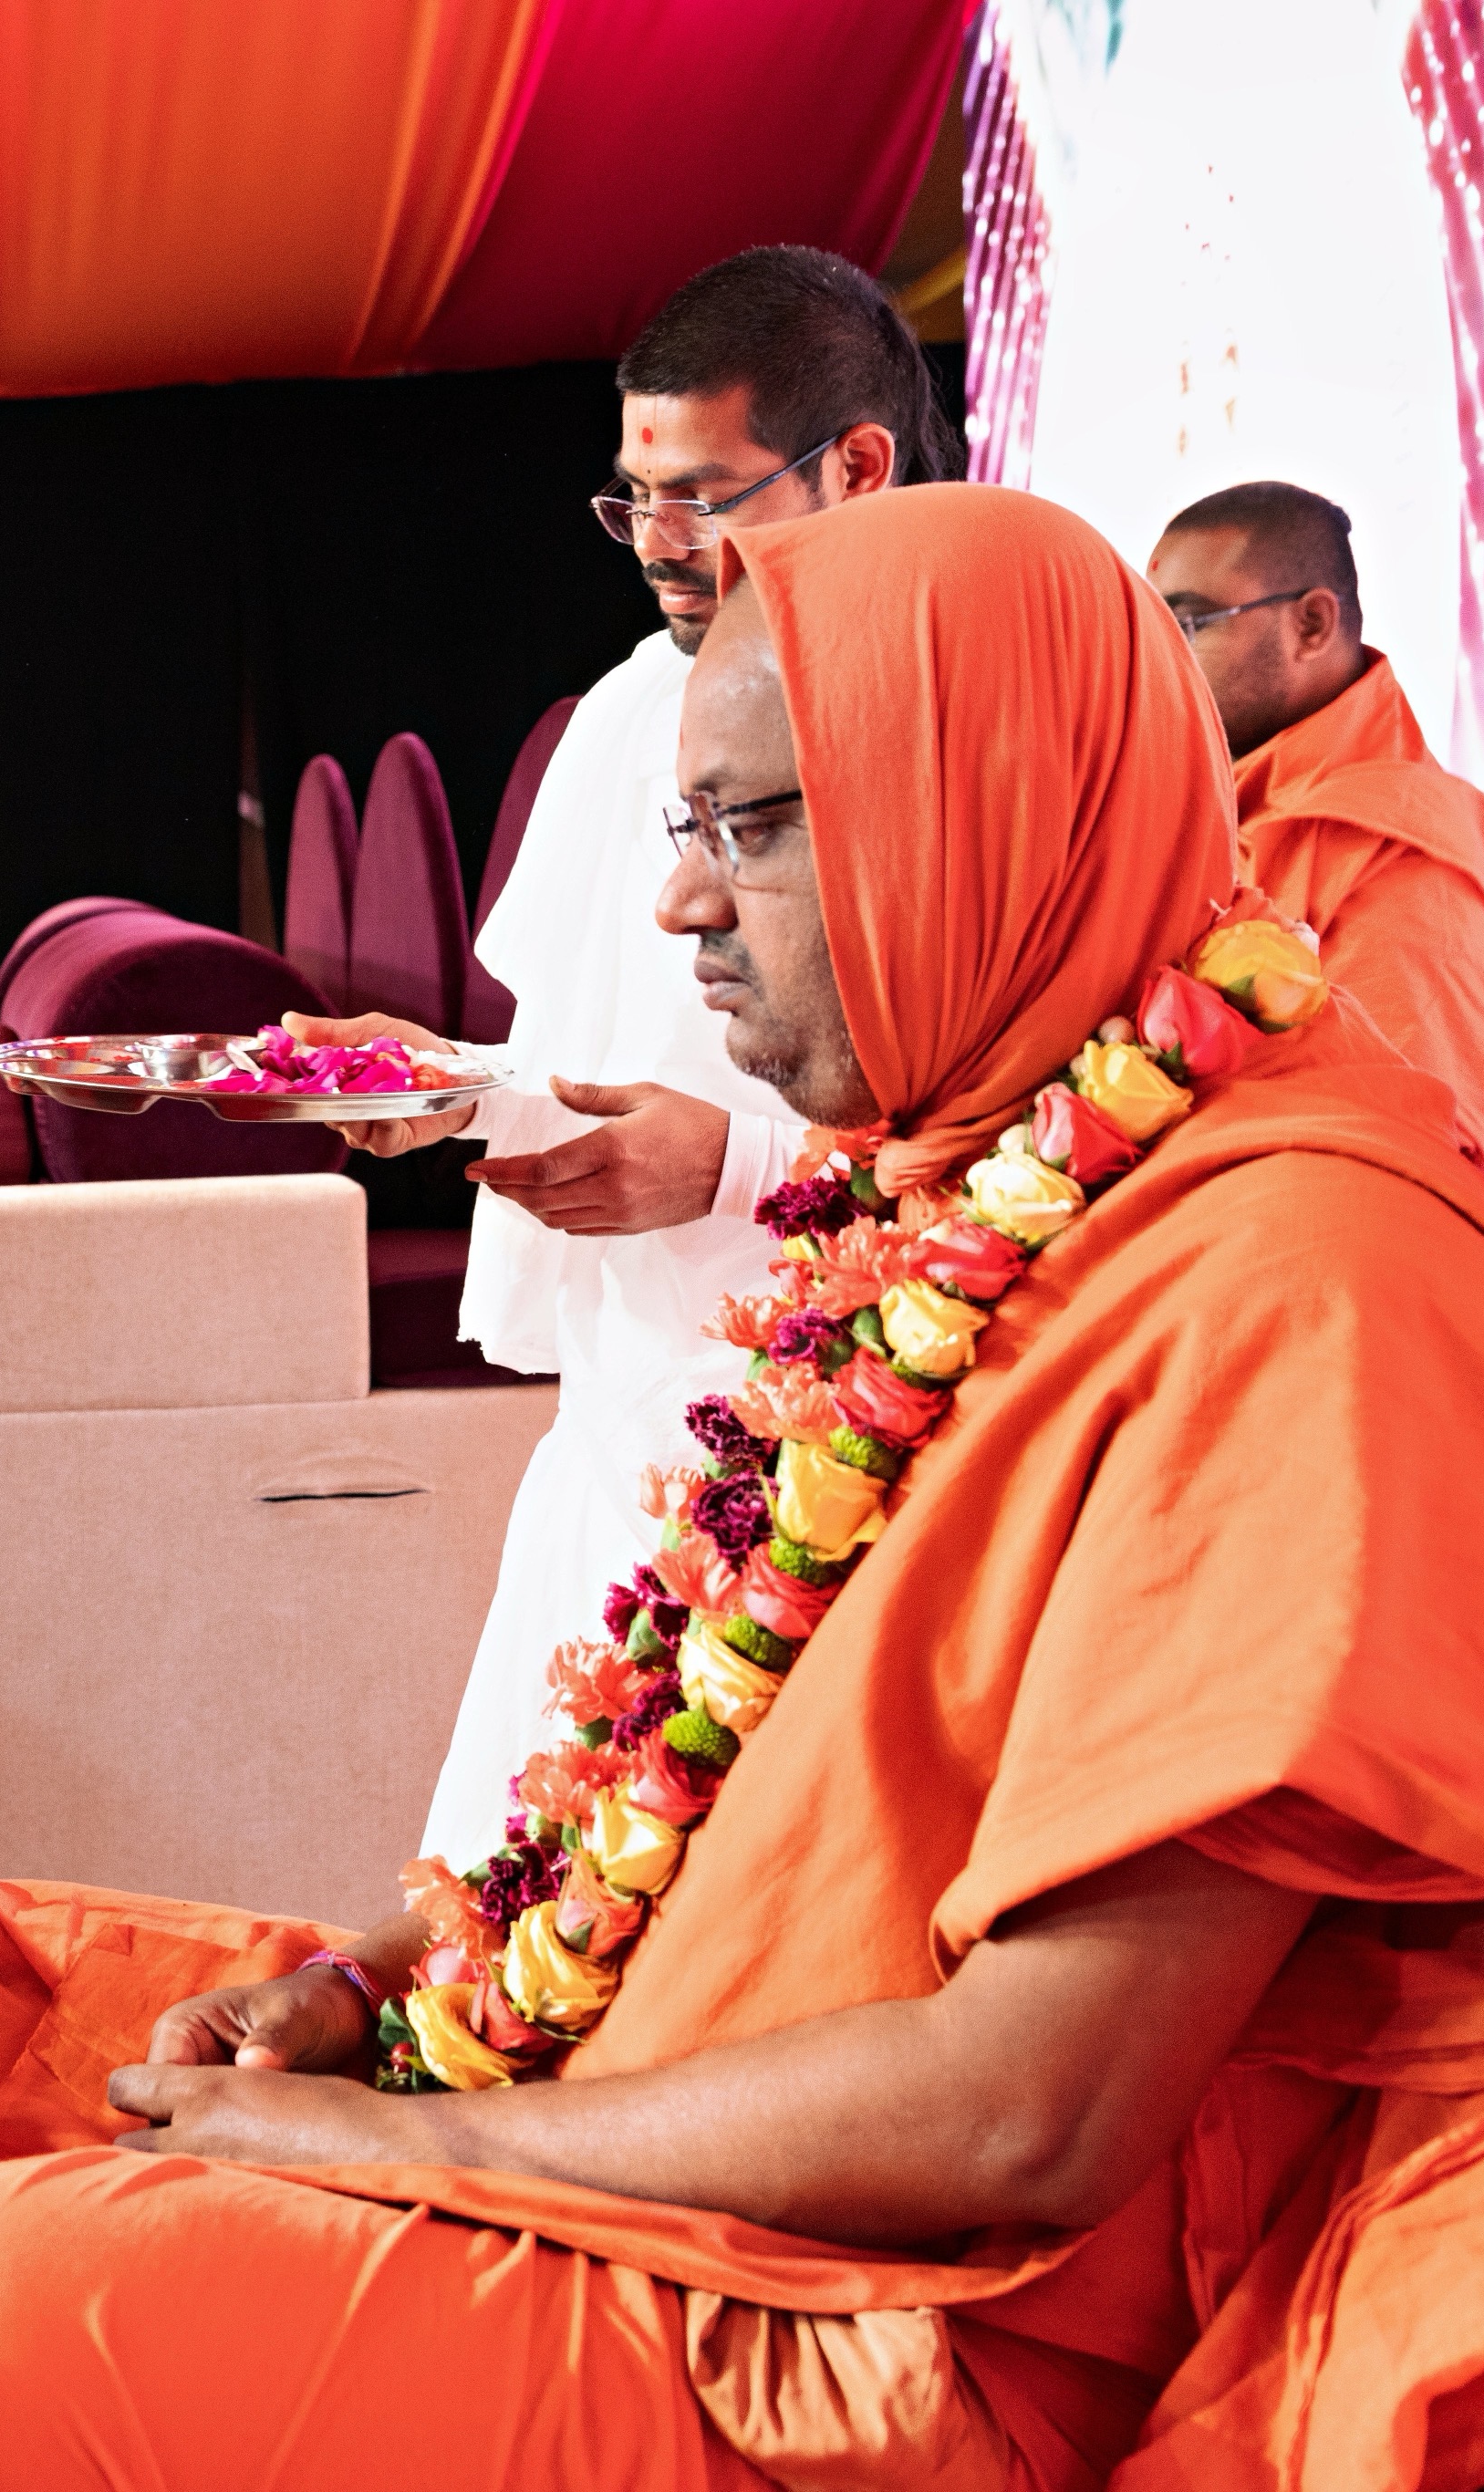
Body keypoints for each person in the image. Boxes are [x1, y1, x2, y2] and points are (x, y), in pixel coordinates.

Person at [0, 487, 1484, 2489]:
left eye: (758, 827)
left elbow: (1028, 2121)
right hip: (676, 2104)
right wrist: (372, 1984)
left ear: (994, 815)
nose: (682, 908)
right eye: (686, 827)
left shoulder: (1307, 1290)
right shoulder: (960, 1190)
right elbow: (687, 1793)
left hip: (928, 2322)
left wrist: (413, 2145)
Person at [299, 248, 963, 1860]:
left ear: (858, 465)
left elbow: (1049, 1135)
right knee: (516, 1915)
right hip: (632, 1415)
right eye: (633, 499)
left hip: (879, 1430)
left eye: (701, 496)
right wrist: (455, 1089)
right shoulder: (625, 709)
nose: (659, 542)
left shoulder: (967, 697)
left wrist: (737, 1168)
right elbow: (611, 1050)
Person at [1148, 480, 1484, 1307]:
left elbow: (1420, 1164)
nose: (1160, 663)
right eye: (1151, 629)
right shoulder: (1205, 813)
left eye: (1189, 625)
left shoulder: (1394, 847)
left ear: (1312, 625)